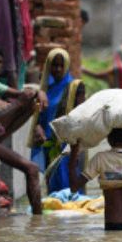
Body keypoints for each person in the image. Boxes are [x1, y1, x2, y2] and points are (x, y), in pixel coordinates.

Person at [68, 128, 122, 231]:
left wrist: (73, 156)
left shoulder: (100, 158)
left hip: (113, 222)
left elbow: (74, 187)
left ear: (108, 138)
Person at [30, 48, 85, 193]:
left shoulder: (76, 86)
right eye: (54, 65)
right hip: (49, 144)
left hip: (69, 146)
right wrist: (37, 126)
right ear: (49, 65)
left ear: (67, 65)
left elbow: (82, 116)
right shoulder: (44, 88)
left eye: (61, 65)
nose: (58, 69)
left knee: (71, 187)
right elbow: (37, 109)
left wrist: (77, 148)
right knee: (53, 188)